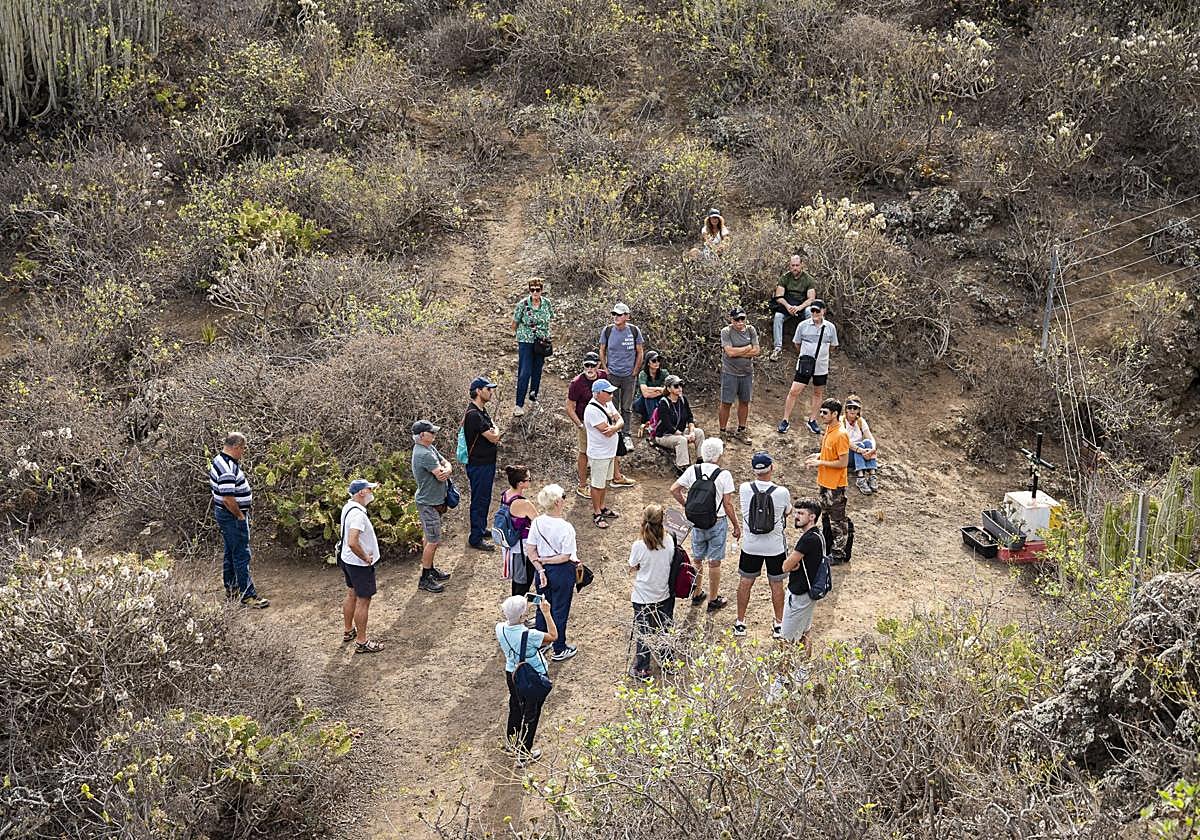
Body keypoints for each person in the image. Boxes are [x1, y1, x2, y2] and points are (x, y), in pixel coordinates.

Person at [671, 437, 740, 613]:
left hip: (697, 521)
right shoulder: (724, 475)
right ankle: (714, 598)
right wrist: (736, 525)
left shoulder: (693, 470)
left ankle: (696, 593)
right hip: (717, 522)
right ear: (719, 455)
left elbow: (674, 489)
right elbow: (727, 504)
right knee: (714, 562)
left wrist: (687, 505)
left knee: (697, 559)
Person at [735, 452, 792, 639]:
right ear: (772, 468)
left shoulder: (744, 488)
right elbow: (788, 512)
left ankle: (740, 622)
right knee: (776, 583)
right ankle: (778, 623)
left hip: (750, 546)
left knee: (745, 582)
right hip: (775, 547)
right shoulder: (782, 492)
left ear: (754, 470)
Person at [209, 431, 268, 608]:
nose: (243, 452)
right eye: (242, 448)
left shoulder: (219, 460)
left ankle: (232, 588)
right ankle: (248, 595)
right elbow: (228, 498)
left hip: (225, 515)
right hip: (232, 516)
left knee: (231, 552)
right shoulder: (227, 468)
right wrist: (240, 515)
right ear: (236, 447)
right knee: (241, 554)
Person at [496, 594, 558, 765]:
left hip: (512, 673)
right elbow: (553, 636)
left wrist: (520, 604)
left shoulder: (499, 628)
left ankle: (512, 742)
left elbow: (514, 619)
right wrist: (546, 613)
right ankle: (524, 754)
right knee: (532, 714)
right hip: (532, 675)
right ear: (523, 616)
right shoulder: (530, 635)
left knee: (515, 706)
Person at [527, 484, 580, 662]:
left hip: (541, 572)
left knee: (542, 607)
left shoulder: (537, 522)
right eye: (563, 496)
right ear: (558, 502)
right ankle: (559, 647)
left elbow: (531, 549)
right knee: (559, 609)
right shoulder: (566, 528)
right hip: (561, 572)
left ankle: (542, 643)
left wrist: (541, 567)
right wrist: (548, 561)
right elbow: (566, 556)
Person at [628, 504, 680, 682]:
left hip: (642, 596)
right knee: (665, 628)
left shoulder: (638, 545)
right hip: (663, 594)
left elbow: (632, 567)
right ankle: (668, 662)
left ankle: (643, 668)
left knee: (644, 632)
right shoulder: (670, 539)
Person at [779, 300, 839, 435]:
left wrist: (821, 355)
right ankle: (785, 419)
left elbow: (833, 346)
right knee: (794, 391)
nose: (815, 313)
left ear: (824, 311)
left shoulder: (830, 327)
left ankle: (812, 420)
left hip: (821, 366)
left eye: (817, 311)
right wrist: (806, 356)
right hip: (804, 365)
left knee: (818, 392)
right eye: (813, 311)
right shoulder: (803, 325)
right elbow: (797, 343)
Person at [339, 478, 383, 654]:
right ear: (361, 493)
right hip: (358, 563)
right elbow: (352, 541)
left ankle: (348, 631)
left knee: (352, 594)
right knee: (364, 600)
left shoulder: (348, 507)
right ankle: (362, 641)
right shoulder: (358, 514)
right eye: (369, 489)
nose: (371, 492)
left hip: (346, 560)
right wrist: (365, 557)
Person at [410, 420, 454, 593]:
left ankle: (430, 569)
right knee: (433, 541)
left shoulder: (428, 448)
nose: (434, 434)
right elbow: (441, 476)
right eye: (431, 432)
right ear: (422, 435)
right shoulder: (424, 454)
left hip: (431, 501)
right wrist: (446, 470)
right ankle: (425, 577)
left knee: (428, 538)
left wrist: (447, 469)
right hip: (428, 503)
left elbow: (446, 465)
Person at [806, 398, 850, 564]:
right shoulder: (829, 431)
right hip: (824, 483)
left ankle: (838, 555)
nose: (821, 415)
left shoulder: (841, 434)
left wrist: (820, 462)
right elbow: (831, 454)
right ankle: (827, 549)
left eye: (825, 413)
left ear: (835, 414)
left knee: (837, 522)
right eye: (821, 412)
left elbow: (843, 462)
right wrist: (819, 455)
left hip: (836, 486)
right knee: (826, 519)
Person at [598, 301, 644, 450]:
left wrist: (635, 371)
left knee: (627, 406)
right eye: (614, 314)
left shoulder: (634, 331)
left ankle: (626, 435)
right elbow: (602, 349)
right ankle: (614, 433)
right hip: (613, 375)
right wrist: (605, 368)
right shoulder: (608, 330)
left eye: (619, 314)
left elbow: (640, 352)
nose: (616, 317)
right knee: (612, 405)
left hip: (629, 376)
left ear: (627, 316)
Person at [780, 498, 824, 649]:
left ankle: (783, 673)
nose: (796, 516)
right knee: (805, 634)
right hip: (809, 593)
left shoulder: (807, 539)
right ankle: (803, 671)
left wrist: (792, 565)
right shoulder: (818, 535)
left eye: (801, 513)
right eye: (796, 512)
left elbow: (785, 566)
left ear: (812, 517)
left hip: (799, 594)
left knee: (786, 639)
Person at [464, 376, 501, 552]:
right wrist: (496, 432)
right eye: (488, 389)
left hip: (486, 463)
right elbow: (494, 436)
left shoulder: (481, 411)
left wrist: (495, 431)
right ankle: (475, 537)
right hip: (479, 464)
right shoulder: (473, 415)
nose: (491, 392)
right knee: (479, 500)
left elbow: (494, 429)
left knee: (484, 498)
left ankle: (480, 528)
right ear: (478, 391)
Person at [583, 378, 623, 529]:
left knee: (604, 482)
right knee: (596, 484)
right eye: (608, 392)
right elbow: (606, 431)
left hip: (609, 452)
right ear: (598, 393)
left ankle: (602, 506)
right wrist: (614, 427)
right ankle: (596, 512)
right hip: (599, 453)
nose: (612, 395)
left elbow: (620, 421)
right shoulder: (592, 410)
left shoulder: (607, 403)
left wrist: (614, 427)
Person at [511, 279, 554, 416]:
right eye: (532, 289)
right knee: (525, 372)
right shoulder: (522, 305)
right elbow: (514, 324)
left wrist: (545, 335)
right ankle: (519, 405)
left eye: (538, 289)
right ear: (529, 290)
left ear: (542, 290)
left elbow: (550, 319)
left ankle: (534, 399)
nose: (535, 292)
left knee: (537, 371)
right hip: (526, 341)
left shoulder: (547, 303)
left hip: (541, 342)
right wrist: (524, 333)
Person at [649, 374, 705, 475]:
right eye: (676, 386)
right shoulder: (663, 403)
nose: (679, 388)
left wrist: (691, 432)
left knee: (699, 433)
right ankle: (682, 468)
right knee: (682, 440)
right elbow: (667, 425)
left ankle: (700, 461)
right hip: (664, 435)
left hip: (680, 432)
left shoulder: (683, 400)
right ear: (669, 388)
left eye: (680, 385)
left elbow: (690, 418)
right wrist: (684, 435)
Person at [719, 307, 760, 440]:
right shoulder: (726, 332)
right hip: (730, 373)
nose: (740, 322)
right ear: (731, 319)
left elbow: (756, 351)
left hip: (747, 372)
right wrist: (747, 348)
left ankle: (741, 430)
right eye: (737, 319)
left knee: (744, 401)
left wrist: (740, 351)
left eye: (742, 319)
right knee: (726, 402)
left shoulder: (751, 330)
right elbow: (729, 352)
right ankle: (722, 432)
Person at [501, 465, 541, 596]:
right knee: (523, 583)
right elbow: (538, 522)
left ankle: (515, 608)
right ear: (520, 483)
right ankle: (516, 611)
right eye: (529, 479)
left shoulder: (506, 495)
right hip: (523, 548)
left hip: (511, 546)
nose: (530, 481)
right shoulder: (524, 504)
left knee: (517, 580)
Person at [770, 255, 818, 361]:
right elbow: (779, 297)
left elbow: (811, 299)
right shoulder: (785, 278)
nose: (795, 268)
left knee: (809, 313)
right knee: (778, 316)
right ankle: (777, 348)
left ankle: (809, 346)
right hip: (788, 305)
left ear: (801, 265)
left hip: (802, 305)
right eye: (793, 265)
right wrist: (788, 307)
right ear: (789, 266)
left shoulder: (808, 279)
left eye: (797, 265)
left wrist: (799, 307)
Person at [843, 394, 879, 495]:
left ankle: (872, 474)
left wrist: (872, 449)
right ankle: (860, 477)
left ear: (859, 410)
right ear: (846, 409)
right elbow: (845, 442)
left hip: (860, 454)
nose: (852, 410)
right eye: (849, 407)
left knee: (867, 443)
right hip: (846, 455)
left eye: (855, 408)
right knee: (860, 444)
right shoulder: (841, 422)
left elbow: (870, 437)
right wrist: (860, 450)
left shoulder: (860, 421)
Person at [633, 350, 668, 427]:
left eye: (658, 360)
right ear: (648, 363)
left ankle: (653, 419)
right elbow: (645, 393)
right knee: (648, 398)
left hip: (656, 399)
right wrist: (659, 389)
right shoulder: (643, 374)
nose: (657, 363)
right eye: (654, 361)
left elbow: (669, 388)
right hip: (640, 402)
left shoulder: (664, 373)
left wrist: (660, 391)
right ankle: (653, 423)